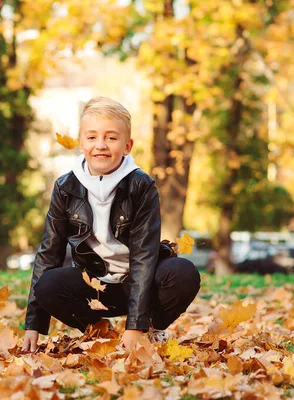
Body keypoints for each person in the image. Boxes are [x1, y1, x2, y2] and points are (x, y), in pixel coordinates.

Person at [21, 97, 201, 352]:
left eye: (111, 138)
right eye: (92, 137)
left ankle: (150, 328)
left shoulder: (141, 185)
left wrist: (135, 325)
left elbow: (144, 255)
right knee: (47, 284)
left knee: (182, 272)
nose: (100, 146)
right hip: (95, 285)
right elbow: (49, 252)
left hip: (140, 284)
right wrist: (34, 323)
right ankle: (99, 331)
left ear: (127, 146)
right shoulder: (66, 187)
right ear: (81, 143)